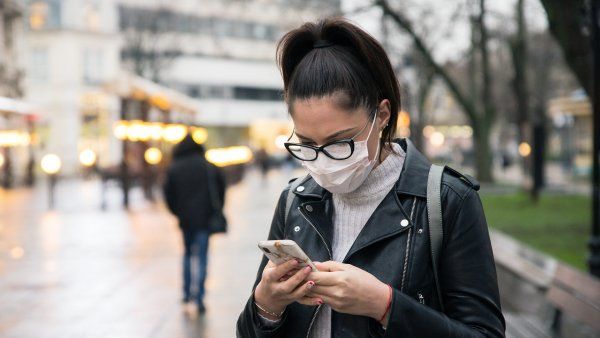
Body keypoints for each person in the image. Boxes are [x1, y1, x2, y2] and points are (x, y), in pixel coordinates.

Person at [236, 18, 505, 337]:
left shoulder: (446, 200)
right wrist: (266, 304)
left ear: (382, 115)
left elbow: (484, 333)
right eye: (307, 144)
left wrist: (386, 305)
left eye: (340, 142)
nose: (323, 161)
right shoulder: (296, 199)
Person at [164, 134, 226, 313]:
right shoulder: (207, 166)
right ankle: (199, 297)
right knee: (202, 257)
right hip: (205, 219)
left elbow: (168, 195)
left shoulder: (174, 167)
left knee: (187, 254)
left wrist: (178, 212)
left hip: (185, 220)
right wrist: (216, 209)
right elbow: (220, 189)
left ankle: (186, 292)